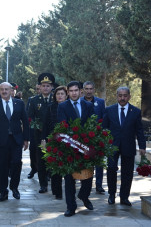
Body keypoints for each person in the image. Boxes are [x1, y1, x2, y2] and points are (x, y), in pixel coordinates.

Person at [0, 82, 29, 202]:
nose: (4, 91)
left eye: (6, 89)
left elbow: (25, 122)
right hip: (0, 141)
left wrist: (26, 139)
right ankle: (3, 191)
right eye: (2, 89)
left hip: (16, 140)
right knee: (2, 166)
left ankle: (14, 187)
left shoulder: (19, 103)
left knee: (16, 163)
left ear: (11, 91)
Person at [103, 87, 146, 206]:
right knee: (111, 169)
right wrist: (103, 144)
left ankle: (124, 197)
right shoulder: (109, 110)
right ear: (117, 96)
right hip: (112, 145)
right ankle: (112, 195)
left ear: (129, 96)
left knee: (127, 173)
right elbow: (104, 128)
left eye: (125, 95)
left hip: (129, 145)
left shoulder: (136, 111)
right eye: (120, 95)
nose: (122, 98)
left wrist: (142, 146)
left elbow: (139, 130)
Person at [57, 81, 94, 217]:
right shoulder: (62, 106)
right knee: (69, 179)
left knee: (88, 177)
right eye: (71, 91)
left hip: (86, 146)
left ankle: (84, 196)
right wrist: (73, 141)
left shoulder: (88, 105)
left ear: (80, 92)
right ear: (68, 92)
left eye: (76, 90)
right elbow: (62, 125)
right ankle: (70, 207)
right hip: (69, 147)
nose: (73, 93)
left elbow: (92, 123)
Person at [28, 73, 55, 194]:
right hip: (39, 135)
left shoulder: (57, 99)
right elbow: (30, 117)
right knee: (41, 160)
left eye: (48, 86)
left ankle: (54, 181)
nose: (45, 88)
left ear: (52, 87)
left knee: (54, 159)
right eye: (43, 85)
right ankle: (43, 184)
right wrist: (37, 126)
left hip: (54, 135)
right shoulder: (34, 101)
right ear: (40, 86)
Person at [42, 85, 68, 200]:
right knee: (55, 166)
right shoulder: (50, 107)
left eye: (62, 94)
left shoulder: (69, 106)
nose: (60, 96)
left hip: (68, 140)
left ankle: (68, 190)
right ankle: (57, 191)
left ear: (66, 95)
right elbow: (45, 124)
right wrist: (44, 139)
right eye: (58, 94)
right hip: (53, 140)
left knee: (67, 165)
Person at [81, 81, 106, 194]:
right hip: (83, 137)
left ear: (94, 90)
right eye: (86, 89)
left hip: (97, 136)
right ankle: (85, 184)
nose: (89, 91)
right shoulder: (79, 102)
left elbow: (104, 119)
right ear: (83, 90)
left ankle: (99, 185)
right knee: (85, 162)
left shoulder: (100, 102)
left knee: (99, 162)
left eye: (91, 88)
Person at [26, 84, 41, 179]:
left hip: (46, 130)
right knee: (33, 150)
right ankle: (33, 168)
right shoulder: (32, 100)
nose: (39, 90)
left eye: (40, 88)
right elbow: (29, 115)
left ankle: (46, 172)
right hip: (34, 130)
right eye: (37, 89)